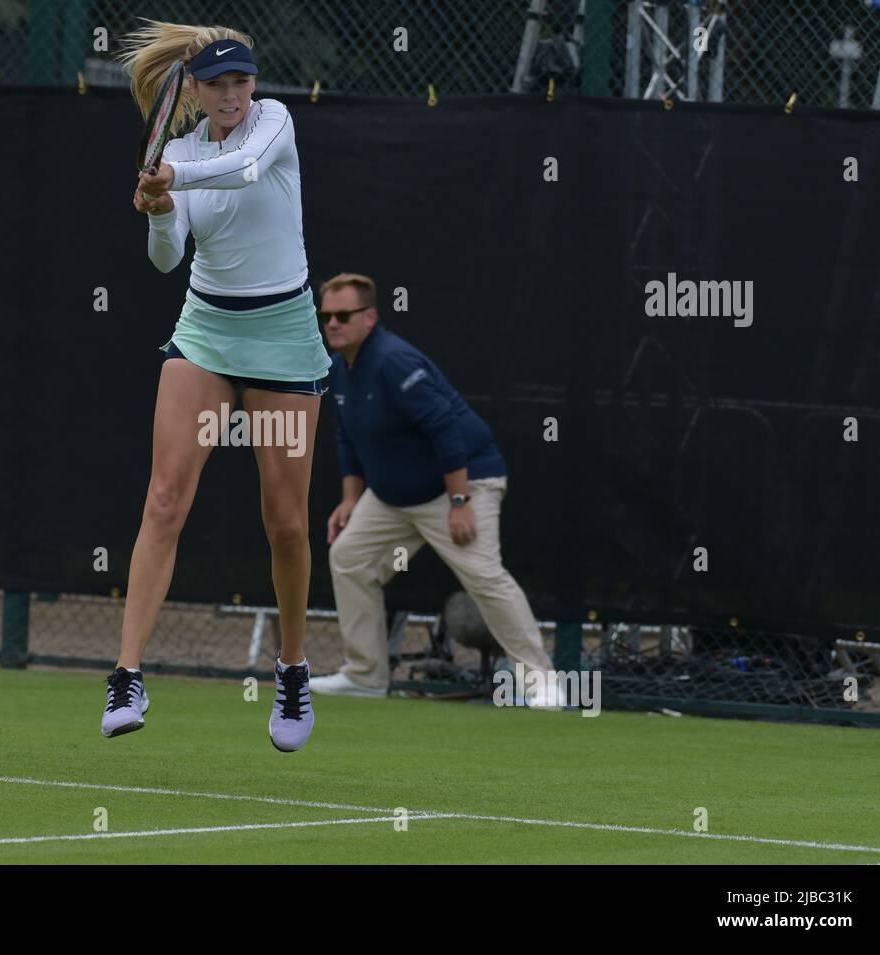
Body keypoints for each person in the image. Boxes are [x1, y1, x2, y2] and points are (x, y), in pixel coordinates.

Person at [103, 20, 331, 751]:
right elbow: (167, 260)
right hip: (204, 332)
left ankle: (291, 668)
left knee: (286, 520)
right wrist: (161, 211)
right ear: (193, 91)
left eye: (241, 81)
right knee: (165, 496)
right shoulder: (178, 151)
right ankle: (127, 673)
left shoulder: (275, 125)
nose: (232, 94)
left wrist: (174, 179)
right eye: (217, 84)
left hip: (283, 338)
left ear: (252, 86)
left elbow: (244, 173)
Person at [315, 273, 557, 699]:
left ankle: (543, 683)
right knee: (350, 558)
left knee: (484, 577)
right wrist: (351, 499)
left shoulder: (394, 361)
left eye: (342, 315)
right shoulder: (339, 368)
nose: (332, 323)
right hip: (394, 498)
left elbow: (445, 428)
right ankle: (366, 676)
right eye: (326, 315)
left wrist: (460, 501)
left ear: (369, 317)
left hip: (464, 484)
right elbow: (347, 436)